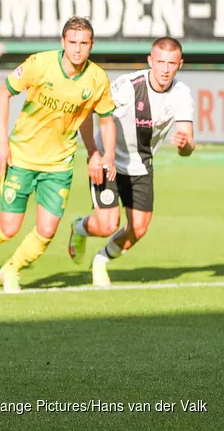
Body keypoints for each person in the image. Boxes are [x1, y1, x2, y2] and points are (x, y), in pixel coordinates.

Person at [0, 16, 117, 294]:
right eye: (72, 43)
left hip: (58, 165)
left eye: (84, 43)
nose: (78, 49)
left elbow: (99, 118)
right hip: (20, 157)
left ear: (91, 45)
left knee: (46, 230)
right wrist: (1, 141)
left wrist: (99, 153)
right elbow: (1, 94)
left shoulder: (97, 79)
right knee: (8, 229)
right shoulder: (39, 64)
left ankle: (11, 270)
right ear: (63, 42)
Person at [68, 37, 195, 286]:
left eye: (171, 63)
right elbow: (86, 113)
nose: (165, 69)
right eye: (160, 62)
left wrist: (185, 144)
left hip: (142, 167)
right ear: (150, 61)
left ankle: (101, 260)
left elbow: (187, 147)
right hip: (109, 161)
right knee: (107, 225)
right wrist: (95, 153)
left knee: (138, 229)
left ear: (180, 64)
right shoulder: (127, 86)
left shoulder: (181, 94)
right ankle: (80, 228)